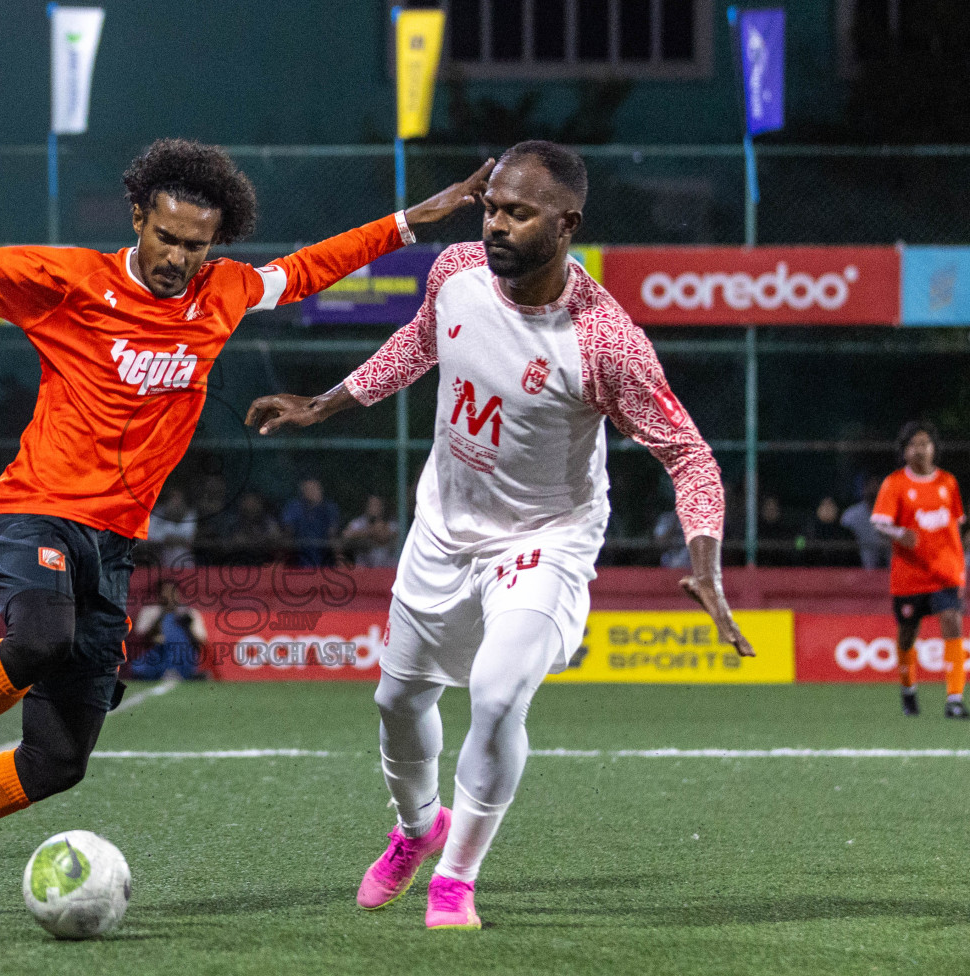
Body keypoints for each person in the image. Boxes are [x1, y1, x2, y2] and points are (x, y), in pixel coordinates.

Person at [0, 120, 495, 914]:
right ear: (137, 219)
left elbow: (308, 268)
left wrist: (411, 223)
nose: (177, 258)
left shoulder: (222, 293)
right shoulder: (67, 281)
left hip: (113, 543)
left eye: (196, 245)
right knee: (40, 639)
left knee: (57, 761)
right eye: (166, 237)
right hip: (36, 512)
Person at [246, 140, 753, 930]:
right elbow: (420, 343)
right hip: (444, 528)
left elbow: (688, 456)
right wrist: (325, 402)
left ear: (567, 224)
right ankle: (419, 831)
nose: (496, 224)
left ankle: (457, 878)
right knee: (397, 700)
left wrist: (706, 562)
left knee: (496, 691)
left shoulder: (605, 341)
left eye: (518, 213)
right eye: (491, 207)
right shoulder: (453, 271)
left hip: (544, 539)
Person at [870, 421, 967, 718]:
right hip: (909, 576)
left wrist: (956, 559)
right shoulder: (895, 483)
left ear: (934, 448)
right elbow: (879, 523)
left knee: (952, 622)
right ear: (904, 451)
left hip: (945, 573)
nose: (920, 449)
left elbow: (958, 522)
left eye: (925, 443)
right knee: (907, 636)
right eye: (913, 444)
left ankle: (954, 699)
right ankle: (908, 689)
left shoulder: (948, 483)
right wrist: (901, 534)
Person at [128, 579, 208, 681]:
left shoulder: (190, 613)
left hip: (182, 653)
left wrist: (187, 626)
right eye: (166, 592)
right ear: (160, 595)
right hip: (158, 653)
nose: (170, 596)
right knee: (139, 667)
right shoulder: (150, 611)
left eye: (173, 592)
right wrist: (162, 616)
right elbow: (141, 636)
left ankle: (182, 672)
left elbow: (202, 641)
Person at [281, 478, 340, 567]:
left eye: (316, 489)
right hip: (299, 556)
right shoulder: (294, 507)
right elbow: (288, 531)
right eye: (309, 489)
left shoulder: (329, 508)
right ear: (303, 493)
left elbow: (332, 534)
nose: (314, 492)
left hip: (324, 558)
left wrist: (338, 560)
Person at [842, 476, 891, 569]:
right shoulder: (850, 516)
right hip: (860, 571)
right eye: (870, 486)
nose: (873, 489)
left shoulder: (896, 514)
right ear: (863, 489)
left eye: (877, 486)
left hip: (891, 571)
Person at [145, 489, 197, 569]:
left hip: (185, 565)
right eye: (173, 498)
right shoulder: (157, 515)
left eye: (178, 498)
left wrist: (169, 539)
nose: (175, 502)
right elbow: (148, 537)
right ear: (167, 500)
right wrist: (167, 540)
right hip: (160, 564)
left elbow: (190, 540)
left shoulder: (191, 515)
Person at [343, 496, 400, 568]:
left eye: (377, 505)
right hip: (364, 567)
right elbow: (346, 535)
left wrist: (380, 531)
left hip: (387, 567)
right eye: (372, 505)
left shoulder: (391, 523)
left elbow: (392, 535)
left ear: (382, 507)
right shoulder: (359, 522)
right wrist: (370, 532)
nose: (374, 508)